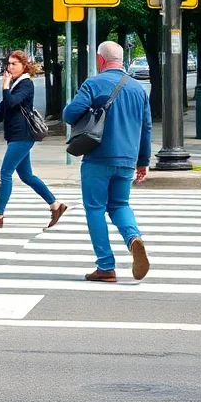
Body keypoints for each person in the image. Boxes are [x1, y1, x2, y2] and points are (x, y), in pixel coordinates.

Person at [61, 41, 151, 284]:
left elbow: (69, 114)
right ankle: (133, 239)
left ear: (101, 60)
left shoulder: (93, 83)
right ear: (122, 60)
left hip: (97, 157)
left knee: (95, 209)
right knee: (120, 205)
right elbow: (146, 128)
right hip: (127, 160)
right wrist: (143, 161)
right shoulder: (138, 89)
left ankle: (105, 266)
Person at [0, 51, 68, 229]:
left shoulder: (26, 85)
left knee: (5, 172)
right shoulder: (17, 83)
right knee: (26, 176)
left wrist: (5, 86)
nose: (9, 67)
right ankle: (56, 206)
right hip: (16, 136)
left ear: (24, 66)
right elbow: (2, 109)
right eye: (8, 64)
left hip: (23, 136)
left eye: (14, 64)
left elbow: (10, 103)